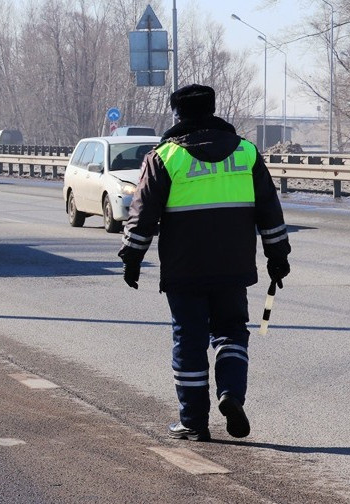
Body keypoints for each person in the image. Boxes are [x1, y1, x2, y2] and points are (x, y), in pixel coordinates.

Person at [117, 84, 291, 442]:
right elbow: (269, 212)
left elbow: (142, 215)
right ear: (212, 110)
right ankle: (230, 393)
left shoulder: (165, 157)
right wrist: (278, 257)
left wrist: (131, 257)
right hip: (233, 267)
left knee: (190, 340)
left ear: (177, 115)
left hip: (185, 270)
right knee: (231, 332)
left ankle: (194, 421)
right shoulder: (246, 153)